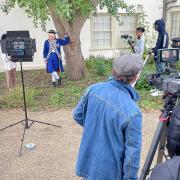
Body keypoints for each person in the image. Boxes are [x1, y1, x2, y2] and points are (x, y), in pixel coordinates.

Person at [73, 54, 143, 180]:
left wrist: (97, 128)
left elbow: (77, 115)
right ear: (135, 77)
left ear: (113, 71)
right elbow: (132, 155)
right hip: (110, 172)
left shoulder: (93, 89)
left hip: (89, 162)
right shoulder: (133, 112)